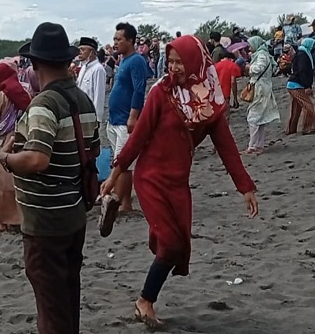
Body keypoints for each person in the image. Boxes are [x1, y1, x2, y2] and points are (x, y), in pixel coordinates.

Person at [100, 35, 259, 327]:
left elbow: (226, 147)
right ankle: (144, 301)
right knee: (172, 244)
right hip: (150, 179)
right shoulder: (161, 93)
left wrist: (245, 187)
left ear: (196, 62)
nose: (173, 68)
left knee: (180, 246)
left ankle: (147, 291)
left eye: (179, 62)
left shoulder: (209, 101)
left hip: (178, 182)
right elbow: (138, 137)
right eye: (169, 61)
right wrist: (115, 174)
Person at [0, 22, 98, 334]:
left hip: (45, 220)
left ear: (36, 63)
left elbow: (38, 159)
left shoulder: (44, 103)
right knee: (67, 296)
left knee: (51, 305)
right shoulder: (82, 100)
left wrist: (7, 158)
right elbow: (91, 151)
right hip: (73, 212)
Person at [107, 22, 150, 212]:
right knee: (118, 162)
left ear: (130, 41)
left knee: (122, 163)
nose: (115, 43)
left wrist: (133, 117)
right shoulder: (123, 60)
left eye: (119, 39)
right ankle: (123, 201)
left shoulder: (137, 61)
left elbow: (139, 90)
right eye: (114, 39)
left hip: (125, 120)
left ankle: (120, 203)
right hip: (114, 119)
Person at [0, 60, 30, 234]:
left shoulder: (0, 95)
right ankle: (18, 217)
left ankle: (3, 221)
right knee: (14, 183)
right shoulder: (19, 91)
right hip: (14, 138)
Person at [246, 37, 280, 154]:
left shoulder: (261, 55)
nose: (249, 47)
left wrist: (248, 67)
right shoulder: (264, 54)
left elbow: (258, 68)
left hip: (260, 89)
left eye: (250, 45)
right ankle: (258, 145)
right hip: (263, 87)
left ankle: (253, 146)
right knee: (260, 118)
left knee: (253, 117)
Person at [285, 38, 315, 135]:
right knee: (308, 106)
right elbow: (302, 71)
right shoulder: (303, 55)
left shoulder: (301, 53)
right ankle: (308, 128)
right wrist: (307, 86)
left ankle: (291, 130)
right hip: (297, 85)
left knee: (296, 109)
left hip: (293, 84)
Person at [76, 37, 106, 124]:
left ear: (92, 52)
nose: (80, 52)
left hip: (90, 115)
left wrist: (97, 119)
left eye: (82, 49)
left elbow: (99, 95)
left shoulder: (98, 69)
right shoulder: (84, 67)